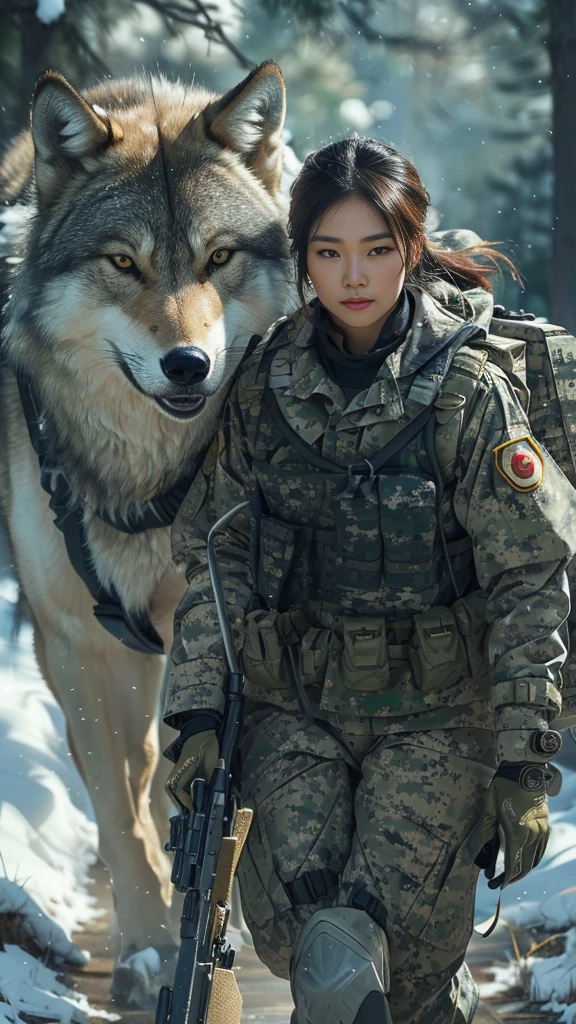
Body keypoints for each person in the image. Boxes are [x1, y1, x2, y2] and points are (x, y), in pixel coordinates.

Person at [162, 137, 576, 1024]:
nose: (354, 275)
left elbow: (528, 578)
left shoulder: (466, 391)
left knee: (372, 958)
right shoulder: (264, 384)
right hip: (294, 712)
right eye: (329, 251)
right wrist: (195, 717)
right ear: (303, 256)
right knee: (319, 944)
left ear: (411, 248)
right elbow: (217, 562)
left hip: (438, 720)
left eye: (378, 249)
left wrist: (523, 759)